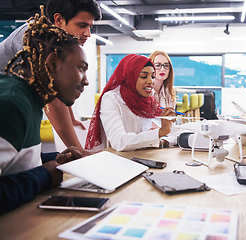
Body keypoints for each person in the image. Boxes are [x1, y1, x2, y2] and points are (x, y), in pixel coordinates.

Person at [0, 10, 88, 214]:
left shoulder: (28, 100)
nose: (86, 80)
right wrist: (43, 176)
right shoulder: (11, 104)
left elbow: (13, 161)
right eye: (81, 68)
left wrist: (53, 158)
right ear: (53, 63)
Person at [0, 0, 101, 156]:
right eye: (82, 25)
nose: (87, 33)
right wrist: (79, 152)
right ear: (59, 20)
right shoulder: (35, 38)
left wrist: (72, 119)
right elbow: (53, 99)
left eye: (90, 27)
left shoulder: (57, 42)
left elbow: (60, 88)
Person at [85, 54, 175, 152]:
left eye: (153, 76)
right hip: (114, 160)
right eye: (143, 76)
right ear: (129, 76)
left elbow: (171, 132)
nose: (151, 81)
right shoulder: (111, 99)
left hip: (139, 157)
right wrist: (160, 132)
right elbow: (120, 142)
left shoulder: (148, 102)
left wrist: (166, 128)